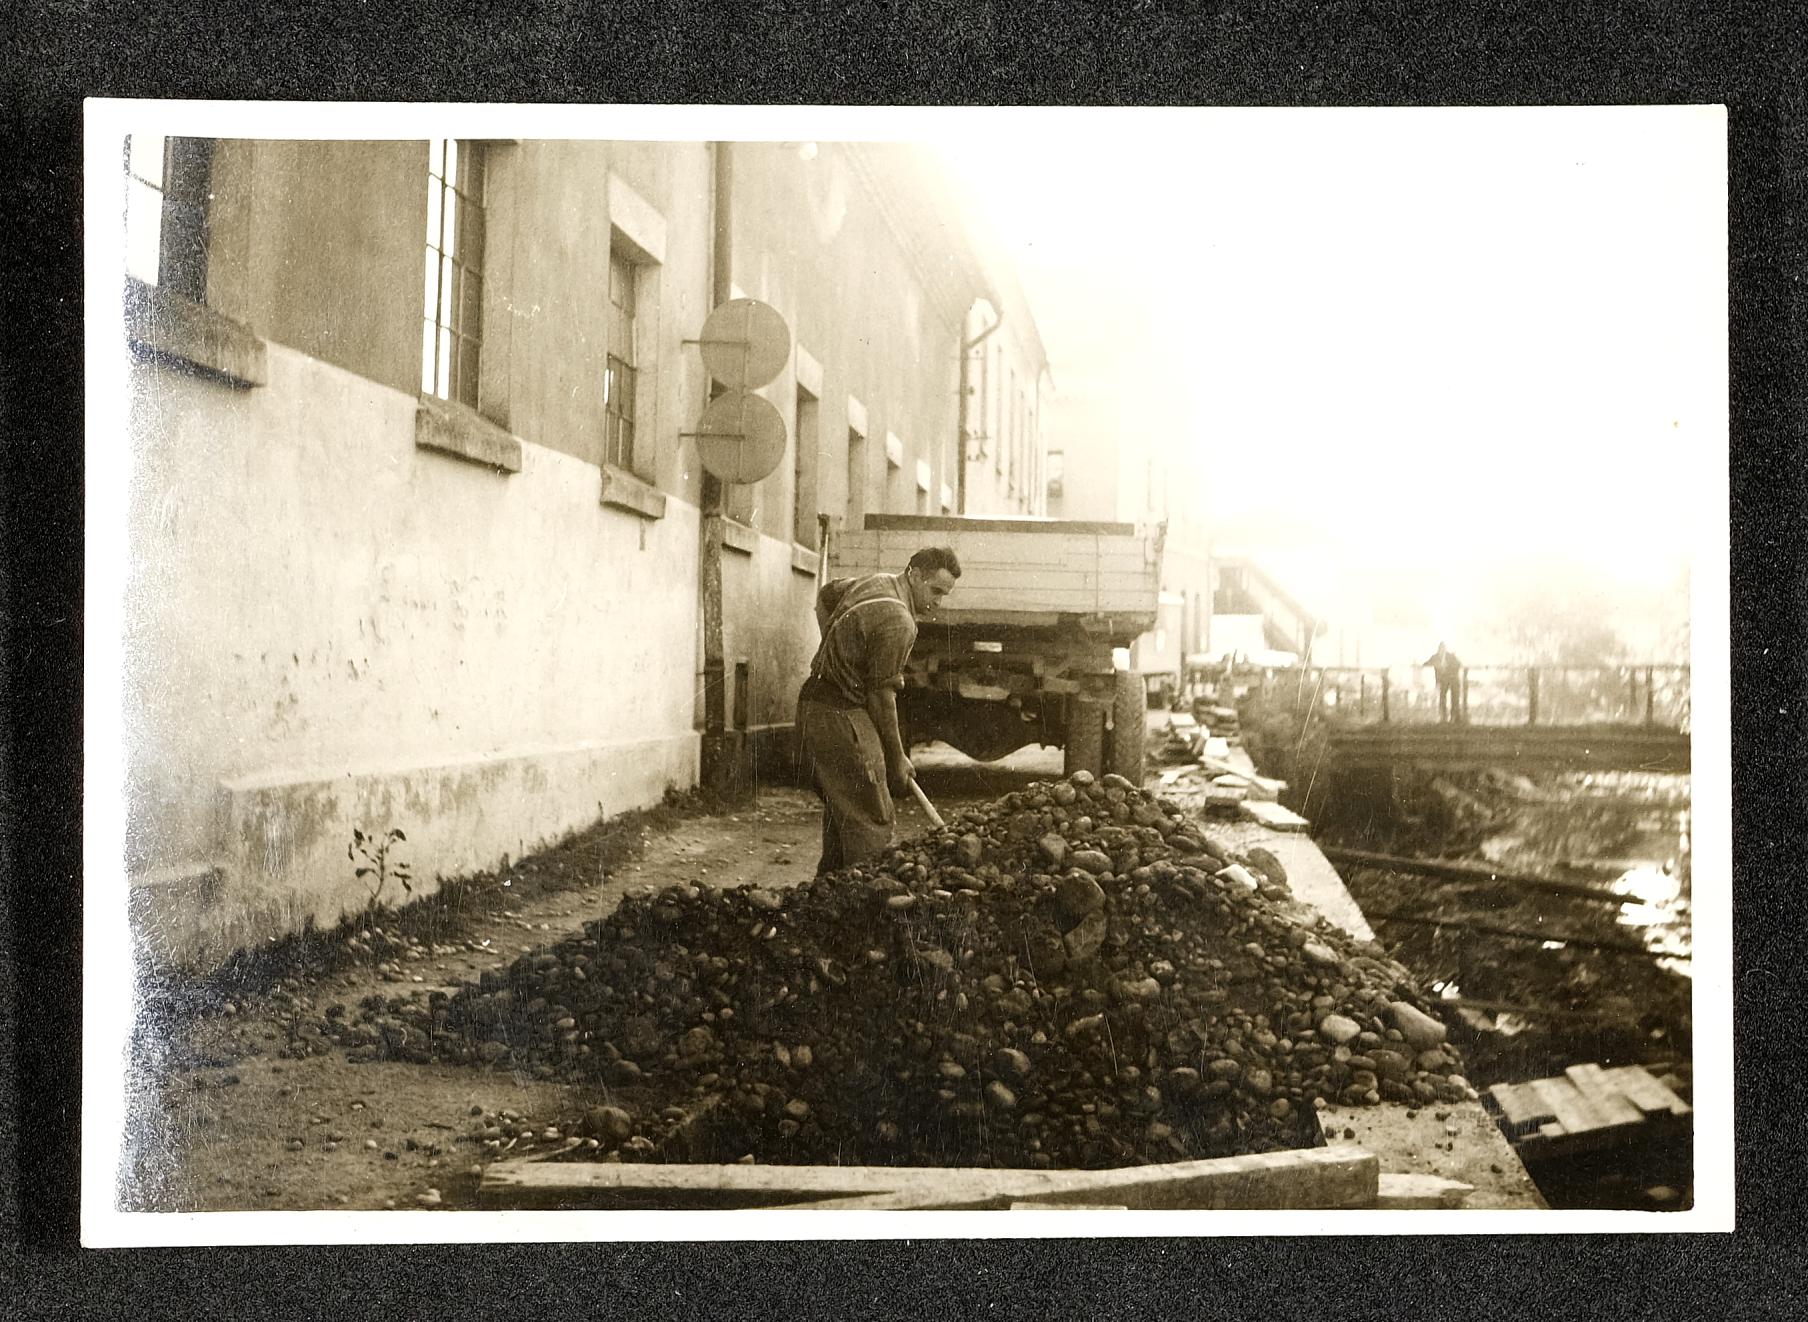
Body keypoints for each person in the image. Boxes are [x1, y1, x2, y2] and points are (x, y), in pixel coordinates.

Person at [796, 545, 961, 875]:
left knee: (846, 807)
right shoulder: (900, 621)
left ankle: (829, 890)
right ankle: (864, 897)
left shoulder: (877, 581)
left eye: (944, 595)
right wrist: (897, 758)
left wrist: (837, 649)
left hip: (814, 704)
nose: (938, 603)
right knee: (872, 816)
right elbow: (882, 698)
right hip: (840, 714)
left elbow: (827, 595)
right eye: (935, 591)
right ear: (915, 575)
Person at [1422, 641, 1464, 723]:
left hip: (1452, 680)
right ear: (1438, 649)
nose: (1441, 650)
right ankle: (1443, 717)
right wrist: (1435, 665)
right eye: (1440, 649)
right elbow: (1426, 664)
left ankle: (1454, 717)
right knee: (1442, 699)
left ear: (1445, 649)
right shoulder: (1435, 657)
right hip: (1442, 681)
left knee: (1454, 699)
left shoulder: (1451, 656)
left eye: (1443, 649)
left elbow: (1459, 664)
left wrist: (1450, 667)